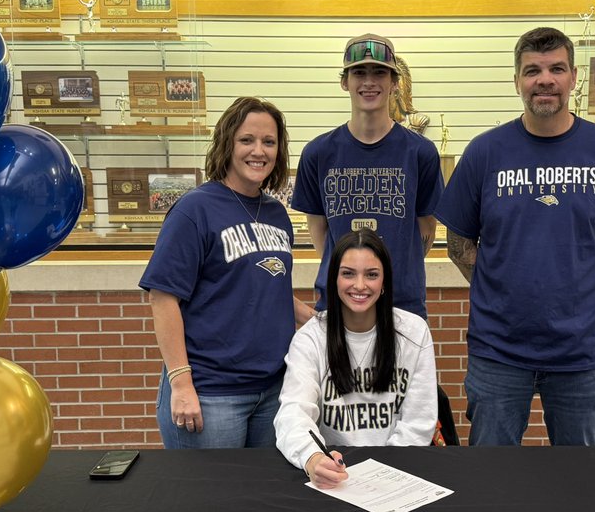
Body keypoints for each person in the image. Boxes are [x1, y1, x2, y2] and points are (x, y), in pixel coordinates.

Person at [436, 27, 595, 447]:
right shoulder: (485, 152)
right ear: (517, 81)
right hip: (498, 350)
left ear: (573, 78)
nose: (545, 79)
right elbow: (459, 239)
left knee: (583, 482)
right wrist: (500, 287)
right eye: (532, 70)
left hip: (582, 352)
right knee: (492, 480)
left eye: (556, 68)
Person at [140, 97, 314, 449]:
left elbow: (267, 287)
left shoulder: (276, 214)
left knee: (263, 499)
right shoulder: (195, 209)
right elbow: (162, 297)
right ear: (227, 144)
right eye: (247, 140)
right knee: (214, 502)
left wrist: (321, 321)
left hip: (273, 391)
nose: (259, 151)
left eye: (269, 142)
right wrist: (181, 383)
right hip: (211, 395)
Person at [292, 33, 444, 319]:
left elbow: (426, 229)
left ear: (394, 83)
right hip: (340, 307)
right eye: (359, 72)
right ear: (344, 82)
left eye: (379, 72)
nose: (369, 81)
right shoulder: (318, 153)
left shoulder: (420, 153)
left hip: (403, 307)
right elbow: (320, 234)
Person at [275, 229, 437, 488]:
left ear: (384, 282)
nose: (360, 285)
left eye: (371, 275)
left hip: (397, 474)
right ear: (334, 279)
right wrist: (313, 458)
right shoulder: (311, 338)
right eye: (348, 273)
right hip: (336, 473)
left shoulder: (414, 332)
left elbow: (418, 423)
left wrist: (383, 476)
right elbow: (293, 412)